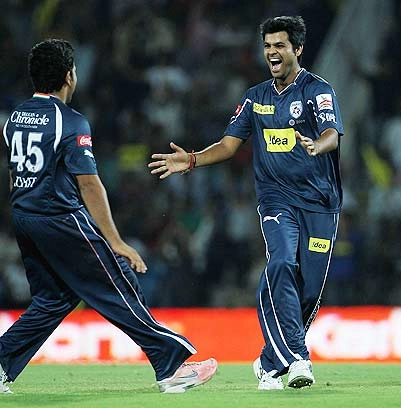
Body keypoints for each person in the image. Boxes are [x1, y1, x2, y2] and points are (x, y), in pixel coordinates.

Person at [0, 38, 217, 394]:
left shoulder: (15, 118)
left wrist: (27, 217)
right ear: (69, 76)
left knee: (55, 299)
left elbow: (14, 175)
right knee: (119, 281)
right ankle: (171, 367)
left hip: (25, 216)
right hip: (61, 217)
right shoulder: (71, 122)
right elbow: (89, 184)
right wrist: (115, 241)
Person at [149, 16, 344, 390]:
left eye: (280, 45)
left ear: (298, 49)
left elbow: (331, 133)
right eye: (267, 45)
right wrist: (191, 160)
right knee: (282, 262)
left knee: (309, 291)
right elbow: (228, 145)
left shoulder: (318, 91)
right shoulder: (256, 98)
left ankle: (269, 362)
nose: (272, 52)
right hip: (276, 200)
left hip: (320, 203)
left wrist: (317, 145)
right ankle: (298, 360)